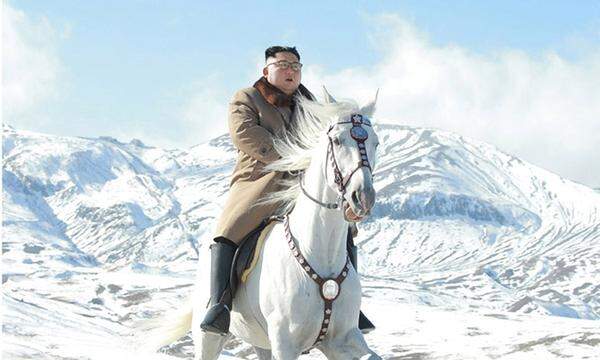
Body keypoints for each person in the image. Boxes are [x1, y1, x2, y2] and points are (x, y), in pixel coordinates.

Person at [200, 46, 375, 335]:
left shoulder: (312, 105)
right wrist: (289, 156)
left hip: (304, 184)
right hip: (260, 181)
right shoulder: (247, 98)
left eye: (296, 65)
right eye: (282, 64)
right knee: (231, 227)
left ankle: (351, 309)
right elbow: (245, 134)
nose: (291, 70)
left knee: (343, 229)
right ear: (266, 70)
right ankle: (219, 306)